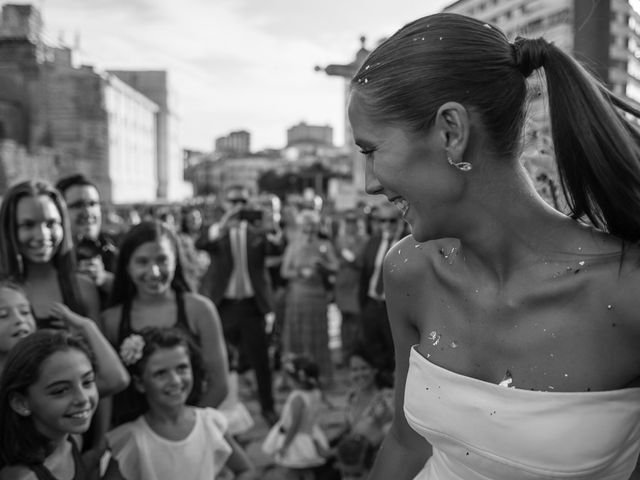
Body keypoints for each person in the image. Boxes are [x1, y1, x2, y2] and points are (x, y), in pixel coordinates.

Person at [348, 12, 640, 480]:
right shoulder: (409, 271)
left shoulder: (627, 294)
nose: (367, 184)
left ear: (451, 132)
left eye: (370, 151)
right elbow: (406, 442)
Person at [102, 220, 228, 426]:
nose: (154, 272)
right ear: (126, 266)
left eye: (162, 260)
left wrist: (184, 429)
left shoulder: (199, 310)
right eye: (142, 262)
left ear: (176, 261)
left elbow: (219, 386)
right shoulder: (112, 321)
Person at [106, 327, 255, 480]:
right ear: (140, 383)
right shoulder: (133, 439)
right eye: (161, 373)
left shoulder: (209, 423)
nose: (175, 381)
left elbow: (245, 470)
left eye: (182, 368)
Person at [197, 185, 283, 426]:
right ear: (226, 203)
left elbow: (277, 248)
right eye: (233, 201)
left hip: (251, 306)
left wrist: (271, 227)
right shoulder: (218, 230)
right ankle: (216, 408)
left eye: (242, 201)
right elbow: (201, 243)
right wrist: (223, 225)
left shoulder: (257, 232)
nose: (238, 206)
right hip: (223, 305)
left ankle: (268, 407)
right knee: (219, 358)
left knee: (261, 361)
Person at [0, 330, 122, 479]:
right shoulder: (24, 477)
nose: (83, 398)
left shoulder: (72, 440)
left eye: (88, 382)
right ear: (20, 403)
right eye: (61, 390)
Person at [0, 180, 101, 327]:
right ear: (9, 230)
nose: (42, 235)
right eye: (28, 225)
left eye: (51, 223)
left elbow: (101, 348)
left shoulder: (83, 288)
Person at [280, 210, 339, 387]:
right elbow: (284, 271)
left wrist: (324, 266)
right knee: (296, 336)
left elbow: (336, 266)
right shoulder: (293, 245)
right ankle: (294, 375)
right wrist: (299, 272)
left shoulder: (324, 245)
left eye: (312, 230)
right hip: (298, 296)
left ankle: (318, 375)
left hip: (316, 297)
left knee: (317, 337)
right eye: (306, 230)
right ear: (300, 229)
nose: (309, 234)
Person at [55, 174, 119, 309]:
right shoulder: (48, 255)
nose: (88, 211)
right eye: (78, 205)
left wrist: (104, 279)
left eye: (93, 204)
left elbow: (140, 295)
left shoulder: (117, 248)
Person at [261, 354, 329, 480]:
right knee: (307, 472)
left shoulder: (297, 397)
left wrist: (285, 445)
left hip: (296, 440)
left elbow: (295, 424)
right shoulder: (316, 393)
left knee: (292, 473)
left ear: (296, 378)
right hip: (310, 435)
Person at [357, 204, 403, 379]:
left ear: (400, 221)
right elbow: (365, 274)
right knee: (372, 350)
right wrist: (363, 305)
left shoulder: (409, 242)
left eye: (392, 220)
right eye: (382, 220)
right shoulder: (373, 242)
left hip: (393, 307)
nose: (387, 225)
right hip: (371, 304)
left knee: (394, 352)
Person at [332, 210, 368, 367]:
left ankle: (355, 354)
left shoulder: (365, 240)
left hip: (356, 284)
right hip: (343, 284)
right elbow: (336, 260)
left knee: (356, 320)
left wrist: (349, 259)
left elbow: (360, 261)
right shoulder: (339, 240)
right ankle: (345, 354)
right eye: (348, 223)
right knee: (344, 320)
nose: (350, 226)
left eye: (353, 223)